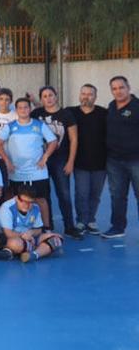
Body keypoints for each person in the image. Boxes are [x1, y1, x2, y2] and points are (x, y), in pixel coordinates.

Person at [0, 97, 57, 231]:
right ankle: (14, 228)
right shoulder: (10, 126)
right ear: (16, 110)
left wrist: (45, 157)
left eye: (26, 107)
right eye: (20, 107)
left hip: (37, 171)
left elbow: (53, 141)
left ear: (30, 109)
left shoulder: (38, 125)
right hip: (17, 172)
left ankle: (46, 228)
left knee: (41, 200)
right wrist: (7, 161)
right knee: (17, 200)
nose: (23, 110)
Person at [31, 86, 80, 239]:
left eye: (50, 95)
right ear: (41, 99)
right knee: (44, 195)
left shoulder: (66, 114)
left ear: (56, 96)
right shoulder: (37, 114)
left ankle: (69, 226)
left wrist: (71, 161)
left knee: (64, 194)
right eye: (44, 96)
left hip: (60, 160)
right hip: (41, 159)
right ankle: (48, 226)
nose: (48, 98)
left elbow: (73, 139)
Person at [66, 84, 107, 236]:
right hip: (80, 162)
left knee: (95, 194)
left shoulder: (104, 113)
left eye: (90, 94)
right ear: (79, 95)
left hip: (100, 163)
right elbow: (52, 110)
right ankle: (82, 221)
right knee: (82, 193)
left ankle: (91, 220)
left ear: (95, 97)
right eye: (83, 93)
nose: (86, 96)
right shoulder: (71, 112)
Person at [103, 76, 139, 238]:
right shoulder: (111, 107)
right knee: (117, 195)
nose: (118, 91)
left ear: (128, 87)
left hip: (136, 160)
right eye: (114, 88)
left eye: (121, 87)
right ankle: (118, 228)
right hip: (114, 161)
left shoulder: (137, 107)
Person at [0, 186, 64, 263]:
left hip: (32, 238)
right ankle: (44, 249)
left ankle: (33, 254)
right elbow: (8, 234)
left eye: (30, 202)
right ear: (17, 198)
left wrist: (31, 233)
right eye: (24, 201)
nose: (27, 205)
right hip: (16, 238)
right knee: (14, 244)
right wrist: (24, 236)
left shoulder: (35, 208)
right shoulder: (7, 208)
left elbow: (39, 229)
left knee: (58, 238)